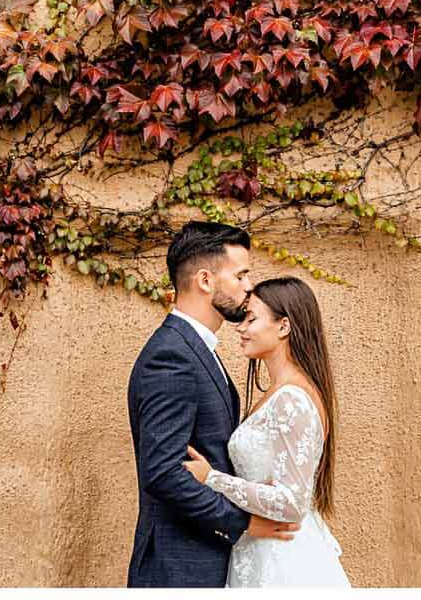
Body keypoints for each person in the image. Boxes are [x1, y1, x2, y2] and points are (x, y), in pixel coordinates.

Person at [126, 222, 298, 586]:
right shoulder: (171, 356)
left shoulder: (195, 349)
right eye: (241, 275)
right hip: (179, 570)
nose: (249, 286)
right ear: (205, 280)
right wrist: (244, 522)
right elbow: (164, 472)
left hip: (203, 562)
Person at [183, 276, 349, 587]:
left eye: (251, 319)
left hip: (283, 560)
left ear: (284, 326)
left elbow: (292, 503)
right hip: (259, 550)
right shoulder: (278, 392)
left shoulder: (292, 399)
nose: (240, 328)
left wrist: (212, 479)